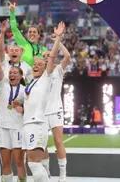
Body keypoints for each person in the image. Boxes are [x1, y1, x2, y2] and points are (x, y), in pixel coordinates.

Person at [22, 22, 65, 182]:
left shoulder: (45, 79)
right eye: (35, 64)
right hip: (28, 124)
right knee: (31, 162)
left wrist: (58, 38)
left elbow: (52, 57)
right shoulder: (31, 83)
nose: (37, 66)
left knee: (33, 163)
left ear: (45, 68)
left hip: (38, 123)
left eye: (41, 65)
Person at [41, 43, 71, 182]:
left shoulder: (59, 70)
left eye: (49, 55)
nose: (47, 58)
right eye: (44, 57)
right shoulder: (40, 74)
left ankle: (62, 175)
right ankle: (46, 173)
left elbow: (68, 56)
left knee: (58, 141)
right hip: (42, 112)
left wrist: (58, 43)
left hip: (56, 111)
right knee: (43, 144)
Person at [0, 63, 27, 182]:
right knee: (6, 163)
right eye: (10, 73)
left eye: (15, 73)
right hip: (3, 128)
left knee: (19, 162)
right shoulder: (3, 85)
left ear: (21, 76)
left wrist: (23, 109)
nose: (12, 74)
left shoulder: (25, 90)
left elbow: (31, 108)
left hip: (18, 128)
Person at [8, 2, 47, 66]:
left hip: (39, 75)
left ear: (38, 35)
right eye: (30, 32)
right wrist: (12, 12)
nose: (32, 34)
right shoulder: (23, 43)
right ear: (27, 34)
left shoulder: (43, 49)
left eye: (34, 32)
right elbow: (14, 29)